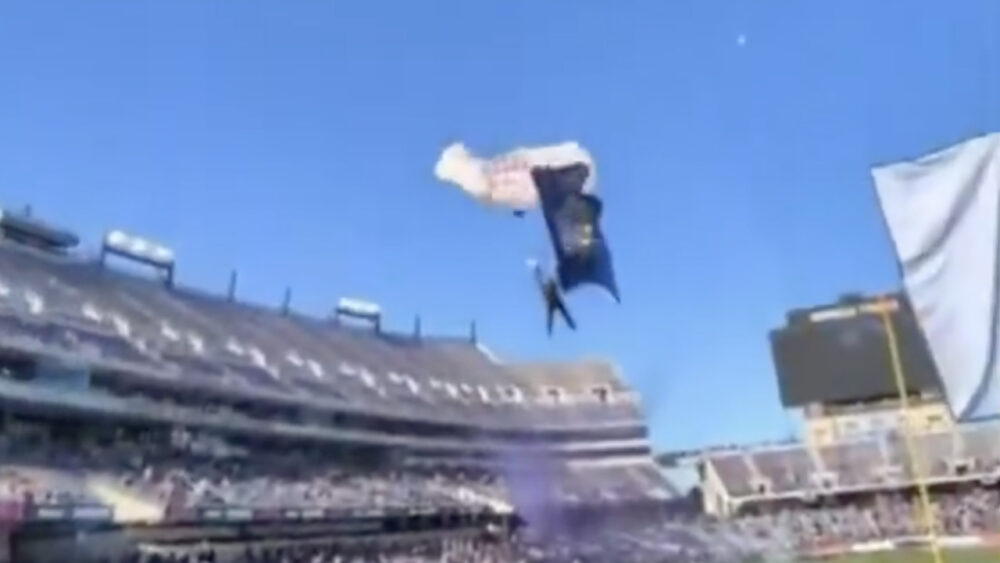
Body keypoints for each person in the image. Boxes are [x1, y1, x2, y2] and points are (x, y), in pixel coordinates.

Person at [531, 261, 576, 335]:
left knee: (562, 314)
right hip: (552, 301)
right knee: (552, 317)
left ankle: (571, 325)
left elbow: (544, 281)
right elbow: (540, 281)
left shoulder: (550, 286)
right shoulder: (546, 288)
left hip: (554, 300)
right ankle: (552, 329)